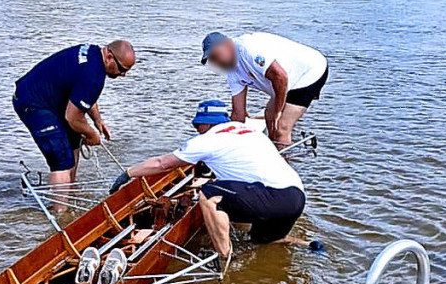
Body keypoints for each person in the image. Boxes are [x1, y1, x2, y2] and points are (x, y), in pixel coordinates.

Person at [112, 100, 307, 266]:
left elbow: (162, 164)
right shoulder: (247, 130)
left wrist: (129, 173)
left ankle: (224, 257)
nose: (197, 131)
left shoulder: (205, 141)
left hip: (274, 198)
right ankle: (306, 245)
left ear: (205, 125)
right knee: (262, 241)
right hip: (296, 198)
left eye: (197, 126)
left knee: (210, 194)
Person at [13, 41, 135, 185]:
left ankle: (70, 189)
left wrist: (97, 121)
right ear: (109, 57)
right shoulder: (93, 75)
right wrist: (91, 134)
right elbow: (72, 117)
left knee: (74, 139)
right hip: (32, 102)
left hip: (49, 98)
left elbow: (84, 95)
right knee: (62, 160)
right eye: (121, 69)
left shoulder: (94, 54)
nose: (123, 74)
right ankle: (60, 207)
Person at [201, 31, 328, 148]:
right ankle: (275, 151)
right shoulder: (232, 73)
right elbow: (238, 115)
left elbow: (280, 77)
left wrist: (278, 111)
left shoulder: (248, 49)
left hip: (310, 71)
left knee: (281, 127)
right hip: (286, 80)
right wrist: (225, 141)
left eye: (217, 56)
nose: (217, 62)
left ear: (228, 44)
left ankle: (282, 166)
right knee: (269, 117)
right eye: (212, 60)